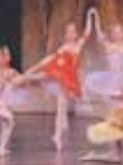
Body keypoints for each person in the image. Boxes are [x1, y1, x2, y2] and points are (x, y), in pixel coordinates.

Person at [24, 9, 94, 150]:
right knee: (37, 77)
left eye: (73, 31)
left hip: (68, 78)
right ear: (66, 34)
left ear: (76, 33)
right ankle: (18, 78)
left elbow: (87, 32)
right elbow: (50, 60)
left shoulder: (78, 45)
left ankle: (57, 134)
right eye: (68, 31)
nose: (70, 33)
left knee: (61, 107)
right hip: (59, 73)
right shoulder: (63, 48)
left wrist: (89, 15)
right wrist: (34, 68)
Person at [79, 84, 123, 165]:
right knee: (114, 156)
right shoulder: (117, 104)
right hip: (115, 131)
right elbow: (111, 119)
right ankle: (95, 156)